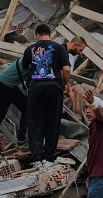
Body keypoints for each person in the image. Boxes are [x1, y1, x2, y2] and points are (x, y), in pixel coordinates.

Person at [22, 24, 70, 164]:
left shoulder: (29, 49)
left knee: (35, 121)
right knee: (53, 121)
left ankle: (37, 155)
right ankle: (49, 155)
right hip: (53, 87)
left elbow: (25, 67)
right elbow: (66, 69)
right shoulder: (59, 47)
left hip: (35, 88)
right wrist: (65, 84)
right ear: (50, 34)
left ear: (37, 35)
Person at [0, 55, 30, 156]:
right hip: (2, 85)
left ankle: (21, 138)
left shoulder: (35, 59)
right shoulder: (31, 61)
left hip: (12, 86)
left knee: (27, 107)